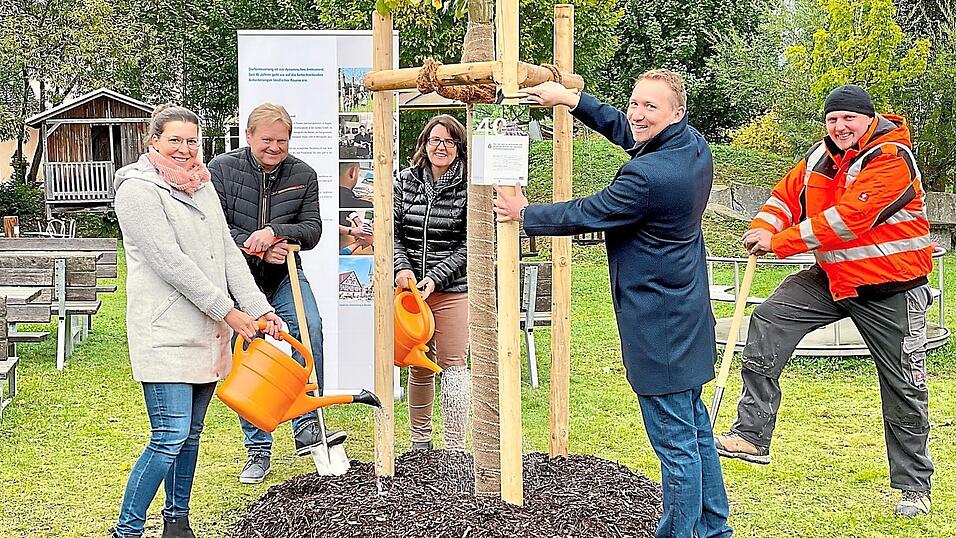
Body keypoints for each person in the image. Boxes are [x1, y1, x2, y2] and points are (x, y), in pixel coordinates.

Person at [494, 71, 733, 538]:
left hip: (658, 323)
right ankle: (713, 529)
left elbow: (591, 211)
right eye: (635, 102)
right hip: (686, 309)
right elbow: (630, 132)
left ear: (677, 112)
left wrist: (525, 213)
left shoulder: (647, 177)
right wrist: (572, 100)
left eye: (650, 107)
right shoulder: (692, 147)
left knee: (677, 445)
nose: (638, 114)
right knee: (695, 429)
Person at [713, 84, 935, 518]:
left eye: (848, 118)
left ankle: (914, 487)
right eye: (832, 119)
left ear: (869, 119)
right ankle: (752, 435)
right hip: (833, 279)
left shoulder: (892, 159)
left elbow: (848, 220)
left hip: (892, 289)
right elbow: (785, 197)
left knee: (903, 388)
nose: (839, 126)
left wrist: (779, 242)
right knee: (769, 318)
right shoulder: (820, 155)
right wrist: (764, 226)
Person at [111, 105, 282, 538]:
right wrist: (229, 312)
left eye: (192, 141)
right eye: (175, 140)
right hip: (166, 332)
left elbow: (228, 255)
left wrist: (259, 308)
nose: (185, 149)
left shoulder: (202, 185)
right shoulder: (138, 191)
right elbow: (171, 263)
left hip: (206, 333)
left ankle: (177, 524)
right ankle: (127, 530)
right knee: (168, 436)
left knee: (189, 436)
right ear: (153, 141)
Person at [209, 102, 344, 485]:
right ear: (249, 136)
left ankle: (307, 423)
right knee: (247, 349)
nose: (274, 147)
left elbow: (312, 229)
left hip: (284, 275)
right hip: (238, 279)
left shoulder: (303, 174)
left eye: (281, 141)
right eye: (266, 139)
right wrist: (255, 247)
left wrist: (275, 233)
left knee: (309, 328)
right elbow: (214, 228)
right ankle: (257, 448)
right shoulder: (222, 170)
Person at [394, 114, 471, 451]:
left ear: (459, 147)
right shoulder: (404, 181)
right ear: (424, 144)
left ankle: (454, 447)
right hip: (411, 292)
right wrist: (402, 269)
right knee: (419, 364)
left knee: (453, 367)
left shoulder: (470, 186)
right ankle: (420, 441)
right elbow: (393, 232)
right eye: (435, 140)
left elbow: (472, 243)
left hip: (453, 290)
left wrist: (436, 278)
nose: (442, 147)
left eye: (449, 141)